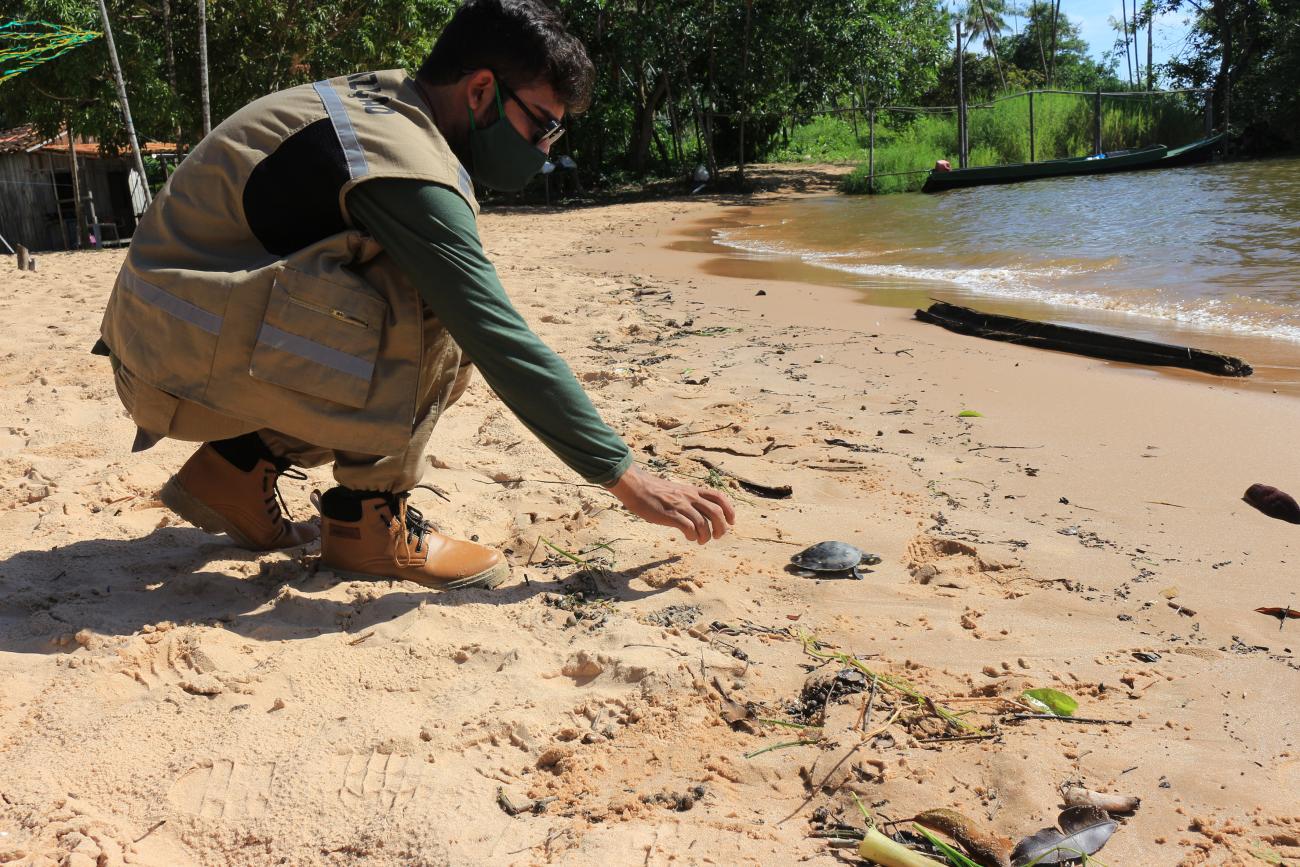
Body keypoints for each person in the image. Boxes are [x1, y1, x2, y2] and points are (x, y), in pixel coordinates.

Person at [95, 0, 735, 591]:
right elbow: (496, 333)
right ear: (482, 89)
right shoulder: (405, 159)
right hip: (175, 360)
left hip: (170, 338)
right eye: (542, 126)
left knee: (397, 285)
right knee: (428, 300)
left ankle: (233, 471)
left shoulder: (387, 102)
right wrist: (625, 476)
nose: (544, 150)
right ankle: (367, 525)